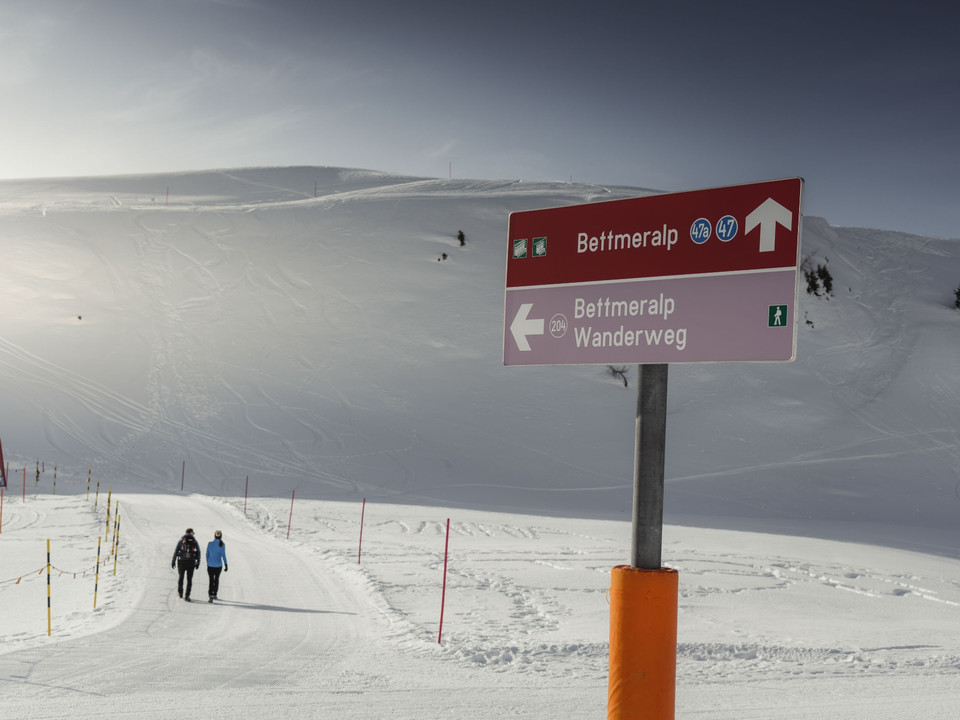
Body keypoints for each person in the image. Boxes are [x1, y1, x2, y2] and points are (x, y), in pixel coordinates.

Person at [171, 528, 201, 601]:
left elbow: (176, 551)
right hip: (191, 562)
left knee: (181, 578)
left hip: (182, 562)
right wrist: (198, 562)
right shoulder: (194, 541)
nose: (193, 534)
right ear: (190, 532)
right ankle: (187, 596)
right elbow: (198, 552)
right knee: (189, 579)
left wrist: (173, 561)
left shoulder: (181, 541)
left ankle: (180, 593)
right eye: (193, 532)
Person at [205, 529, 228, 602]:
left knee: (211, 580)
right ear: (221, 536)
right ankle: (215, 594)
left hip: (210, 565)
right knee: (216, 579)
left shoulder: (210, 544)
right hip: (218, 565)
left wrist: (208, 562)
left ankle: (210, 594)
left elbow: (207, 554)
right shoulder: (222, 544)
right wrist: (226, 564)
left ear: (214, 536)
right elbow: (223, 555)